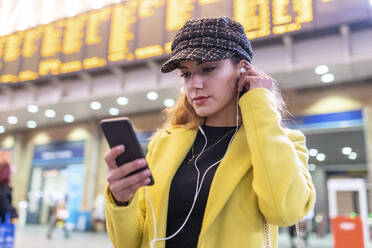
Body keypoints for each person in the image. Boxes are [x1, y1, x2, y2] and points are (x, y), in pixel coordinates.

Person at [104, 17, 316, 248]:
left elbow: (285, 212)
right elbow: (130, 243)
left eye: (208, 69)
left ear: (243, 69)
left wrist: (259, 102)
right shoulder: (164, 145)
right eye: (186, 73)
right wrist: (121, 201)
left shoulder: (282, 143)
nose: (194, 84)